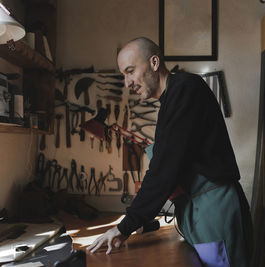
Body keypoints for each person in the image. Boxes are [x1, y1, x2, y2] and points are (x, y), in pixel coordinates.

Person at [86, 37, 253, 266]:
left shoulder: (186, 89)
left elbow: (164, 169)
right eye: (124, 75)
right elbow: (169, 165)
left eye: (131, 71)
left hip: (215, 210)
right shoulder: (172, 99)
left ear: (154, 63)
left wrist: (125, 227)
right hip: (200, 209)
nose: (127, 83)